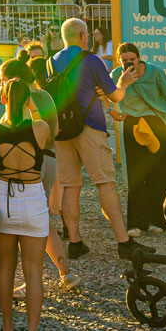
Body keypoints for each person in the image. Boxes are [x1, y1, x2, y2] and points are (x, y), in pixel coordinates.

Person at [49, 18, 151, 260]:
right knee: (105, 182)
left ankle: (75, 242)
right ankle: (124, 242)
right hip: (88, 127)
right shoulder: (92, 59)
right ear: (83, 36)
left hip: (61, 130)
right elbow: (115, 96)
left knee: (70, 186)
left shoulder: (51, 61)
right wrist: (123, 83)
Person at [0, 77, 53, 331]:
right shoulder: (40, 128)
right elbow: (43, 125)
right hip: (33, 198)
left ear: (2, 99)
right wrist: (31, 105)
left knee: (5, 266)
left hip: (4, 199)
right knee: (33, 271)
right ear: (26, 100)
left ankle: (8, 327)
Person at [5, 54, 79, 292]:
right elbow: (55, 129)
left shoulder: (19, 100)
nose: (1, 85)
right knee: (42, 219)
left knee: (25, 224)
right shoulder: (45, 95)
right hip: (50, 159)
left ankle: (32, 280)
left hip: (27, 163)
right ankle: (65, 273)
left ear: (14, 79)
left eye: (2, 80)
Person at [110, 43, 166, 237]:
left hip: (157, 121)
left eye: (132, 60)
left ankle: (157, 219)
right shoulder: (117, 75)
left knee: (160, 172)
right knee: (136, 173)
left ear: (139, 58)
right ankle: (136, 223)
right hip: (133, 123)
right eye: (124, 60)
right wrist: (113, 109)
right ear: (119, 61)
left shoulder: (155, 72)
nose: (128, 63)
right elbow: (108, 96)